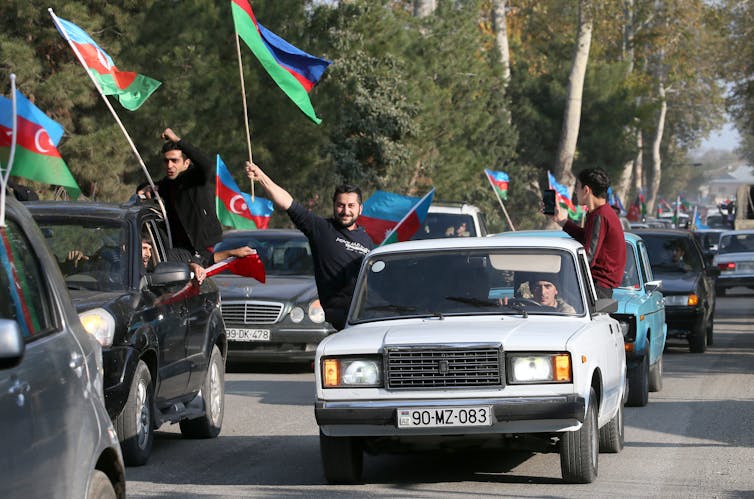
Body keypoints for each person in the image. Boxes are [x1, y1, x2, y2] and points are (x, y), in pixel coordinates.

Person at [245, 161, 374, 330]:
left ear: (360, 209)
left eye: (351, 206)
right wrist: (261, 177)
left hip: (369, 315)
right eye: (340, 205)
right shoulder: (321, 229)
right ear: (334, 206)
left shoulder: (367, 240)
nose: (345, 211)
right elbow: (288, 203)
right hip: (342, 319)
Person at [136, 128, 253, 268]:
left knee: (166, 261)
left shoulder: (196, 178)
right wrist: (145, 187)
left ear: (186, 163)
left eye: (174, 161)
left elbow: (206, 165)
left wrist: (177, 140)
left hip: (203, 245)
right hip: (182, 248)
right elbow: (150, 186)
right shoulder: (168, 184)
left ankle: (232, 253)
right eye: (166, 161)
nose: (169, 165)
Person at [549, 168, 626, 299]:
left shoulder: (600, 216)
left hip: (596, 288)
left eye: (577, 187)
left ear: (586, 190)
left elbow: (588, 255)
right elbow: (586, 238)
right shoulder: (600, 213)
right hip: (596, 286)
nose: (575, 192)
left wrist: (559, 272)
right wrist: (561, 220)